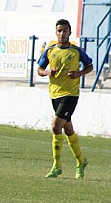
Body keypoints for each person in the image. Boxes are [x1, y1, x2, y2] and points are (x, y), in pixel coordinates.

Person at [37, 19, 93, 179]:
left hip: (70, 95)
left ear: (69, 32)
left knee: (55, 126)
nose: (62, 34)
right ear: (56, 32)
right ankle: (81, 161)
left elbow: (90, 65)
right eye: (59, 31)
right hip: (54, 94)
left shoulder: (76, 51)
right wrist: (48, 73)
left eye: (65, 31)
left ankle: (57, 165)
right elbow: (39, 69)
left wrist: (79, 74)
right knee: (68, 130)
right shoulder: (49, 51)